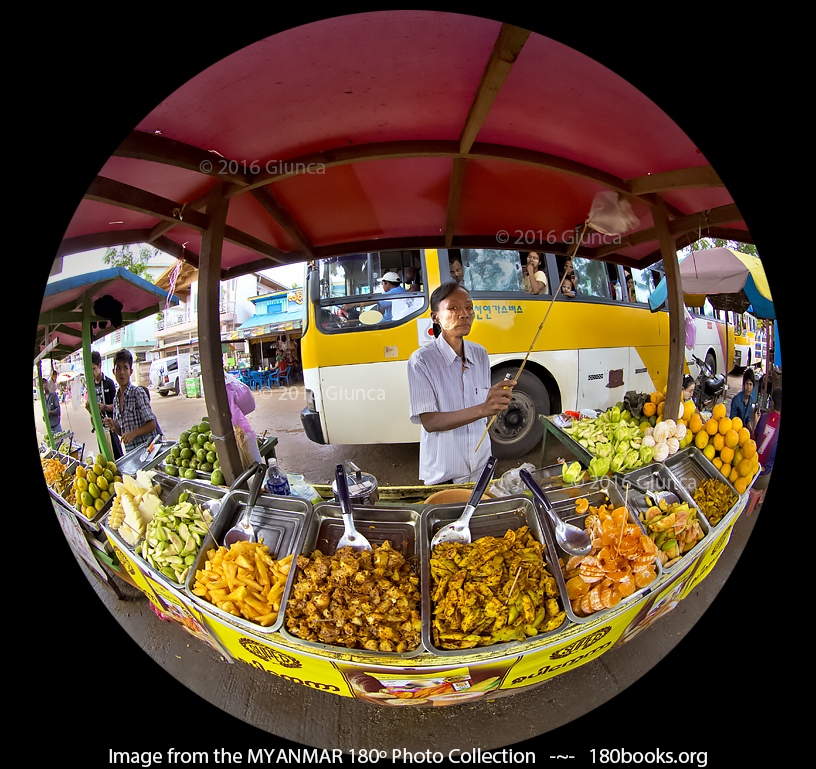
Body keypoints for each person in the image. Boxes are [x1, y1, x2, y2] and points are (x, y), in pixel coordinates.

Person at [407, 282, 516, 485]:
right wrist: (483, 408)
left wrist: (494, 400)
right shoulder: (422, 361)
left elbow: (481, 405)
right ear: (435, 317)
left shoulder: (480, 354)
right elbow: (430, 422)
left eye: (468, 307)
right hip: (445, 474)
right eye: (453, 308)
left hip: (481, 468)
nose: (464, 314)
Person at [103, 348, 161, 452]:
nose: (121, 372)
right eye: (118, 368)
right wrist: (114, 426)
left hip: (148, 452)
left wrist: (133, 434)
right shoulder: (116, 398)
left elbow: (152, 424)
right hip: (132, 454)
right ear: (113, 371)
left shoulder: (137, 393)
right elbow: (123, 432)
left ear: (131, 372)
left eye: (125, 368)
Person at [85, 350, 123, 459]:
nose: (92, 372)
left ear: (99, 366)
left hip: (111, 426)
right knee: (105, 457)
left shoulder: (109, 383)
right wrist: (90, 409)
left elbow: (117, 406)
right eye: (89, 369)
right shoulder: (90, 386)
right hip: (99, 428)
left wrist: (104, 407)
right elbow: (93, 410)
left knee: (117, 455)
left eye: (93, 369)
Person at [752, 387, 781, 496]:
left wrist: (756, 420)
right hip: (763, 480)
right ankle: (761, 498)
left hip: (752, 472)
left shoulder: (764, 417)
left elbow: (754, 438)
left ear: (772, 403)